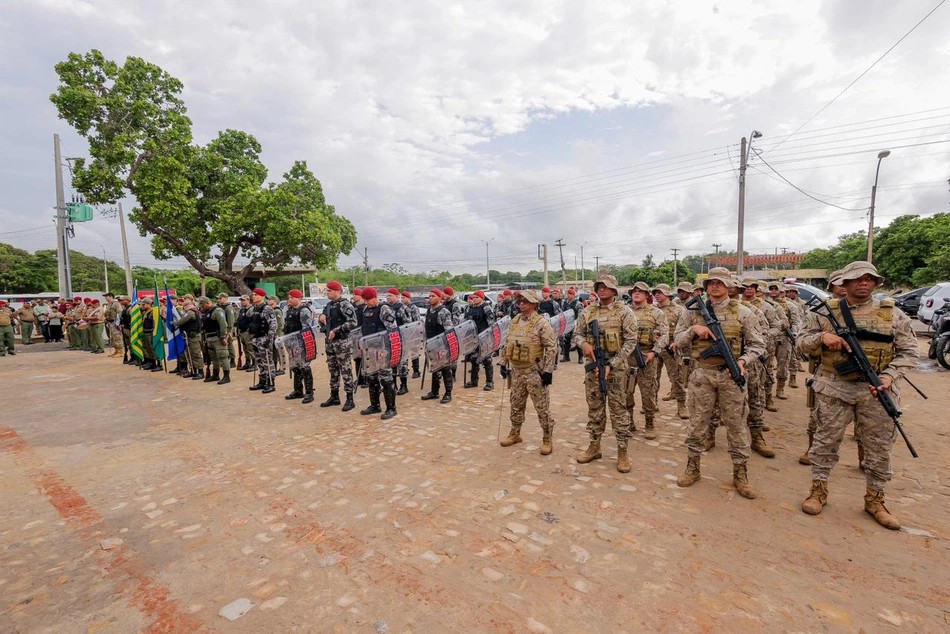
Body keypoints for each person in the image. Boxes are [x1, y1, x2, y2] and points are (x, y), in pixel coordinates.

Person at [797, 261, 917, 530]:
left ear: (875, 283)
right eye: (857, 279)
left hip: (876, 390)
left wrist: (888, 376)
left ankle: (875, 499)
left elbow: (909, 353)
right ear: (846, 283)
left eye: (869, 279)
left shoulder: (894, 315)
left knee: (878, 446)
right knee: (825, 441)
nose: (864, 282)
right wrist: (822, 338)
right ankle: (818, 490)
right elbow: (801, 342)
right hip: (834, 387)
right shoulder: (824, 313)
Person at [673, 267, 765, 499]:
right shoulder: (691, 312)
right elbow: (677, 341)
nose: (714, 286)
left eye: (720, 282)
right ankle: (692, 467)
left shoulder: (744, 312)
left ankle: (740, 473)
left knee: (736, 425)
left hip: (730, 376)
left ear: (729, 286)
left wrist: (744, 360)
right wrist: (694, 330)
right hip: (702, 375)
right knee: (697, 423)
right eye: (711, 282)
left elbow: (758, 345)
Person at [571, 273, 639, 473]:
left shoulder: (625, 312)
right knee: (595, 409)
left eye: (606, 286)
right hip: (593, 369)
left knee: (619, 411)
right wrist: (583, 343)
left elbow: (630, 341)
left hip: (616, 371)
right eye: (599, 285)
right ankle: (594, 446)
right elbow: (576, 333)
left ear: (614, 290)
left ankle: (622, 451)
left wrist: (613, 363)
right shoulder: (587, 311)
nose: (602, 289)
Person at [498, 289, 557, 454]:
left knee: (542, 407)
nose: (521, 304)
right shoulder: (515, 320)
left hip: (534, 372)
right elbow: (507, 342)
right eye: (519, 301)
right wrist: (503, 362)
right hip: (517, 371)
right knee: (516, 404)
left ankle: (547, 437)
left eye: (525, 301)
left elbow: (551, 348)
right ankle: (515, 433)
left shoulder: (541, 323)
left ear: (534, 304)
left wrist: (548, 371)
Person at [625, 282, 669, 439]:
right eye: (634, 291)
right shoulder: (624, 311)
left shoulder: (655, 312)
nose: (636, 294)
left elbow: (665, 334)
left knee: (648, 393)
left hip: (647, 357)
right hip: (627, 357)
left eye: (640, 291)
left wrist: (654, 352)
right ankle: (629, 422)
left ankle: (649, 423)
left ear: (647, 295)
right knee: (626, 392)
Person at [357, 287, 399, 419]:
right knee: (371, 378)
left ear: (375, 297)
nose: (366, 302)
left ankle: (391, 408)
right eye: (365, 300)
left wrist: (389, 349)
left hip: (382, 351)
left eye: (368, 299)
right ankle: (375, 405)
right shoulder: (365, 309)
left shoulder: (384, 309)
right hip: (369, 350)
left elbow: (392, 330)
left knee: (386, 379)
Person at [319, 281, 358, 411]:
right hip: (330, 342)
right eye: (327, 290)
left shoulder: (345, 304)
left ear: (337, 291)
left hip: (342, 342)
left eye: (329, 291)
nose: (327, 293)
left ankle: (349, 398)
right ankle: (334, 396)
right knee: (333, 370)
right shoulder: (329, 305)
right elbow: (325, 316)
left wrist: (336, 330)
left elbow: (353, 322)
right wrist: (322, 316)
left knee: (346, 370)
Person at [653, 284, 688, 420]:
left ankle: (681, 405)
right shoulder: (653, 310)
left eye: (660, 292)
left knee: (676, 378)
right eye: (655, 292)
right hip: (655, 349)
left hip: (671, 348)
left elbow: (684, 329)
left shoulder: (679, 310)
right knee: (652, 378)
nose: (657, 295)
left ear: (667, 294)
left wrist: (678, 343)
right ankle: (653, 402)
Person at [421, 288, 456, 404]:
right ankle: (434, 392)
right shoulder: (428, 311)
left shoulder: (444, 311)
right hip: (431, 344)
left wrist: (447, 346)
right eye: (429, 296)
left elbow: (448, 330)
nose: (430, 298)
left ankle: (448, 393)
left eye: (433, 296)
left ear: (439, 298)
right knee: (435, 368)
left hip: (442, 345)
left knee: (446, 369)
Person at [768, 281, 801, 400]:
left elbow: (797, 322)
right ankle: (768, 394)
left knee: (783, 365)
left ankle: (780, 388)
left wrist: (794, 335)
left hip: (784, 338)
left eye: (775, 289)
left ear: (782, 291)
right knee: (768, 366)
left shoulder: (790, 306)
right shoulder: (765, 304)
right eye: (771, 288)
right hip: (769, 338)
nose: (773, 291)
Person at [283, 289, 317, 404]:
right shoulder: (290, 310)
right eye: (289, 297)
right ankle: (298, 390)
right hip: (290, 342)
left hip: (300, 343)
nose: (289, 299)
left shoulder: (304, 311)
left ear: (298, 298)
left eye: (292, 297)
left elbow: (305, 329)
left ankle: (309, 393)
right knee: (295, 367)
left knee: (304, 367)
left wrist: (302, 345)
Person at [463, 290, 496, 391]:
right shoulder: (469, 308)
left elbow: (491, 323)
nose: (474, 299)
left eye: (476, 297)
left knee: (487, 359)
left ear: (482, 298)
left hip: (484, 337)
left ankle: (490, 382)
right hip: (473, 338)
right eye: (473, 297)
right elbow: (465, 322)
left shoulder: (486, 308)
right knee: (473, 359)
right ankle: (474, 381)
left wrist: (489, 337)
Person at [247, 288, 277, 393]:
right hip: (256, 338)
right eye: (253, 294)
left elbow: (273, 325)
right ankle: (262, 381)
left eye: (255, 294)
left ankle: (270, 383)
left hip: (264, 338)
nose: (253, 296)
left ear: (261, 296)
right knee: (259, 361)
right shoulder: (254, 308)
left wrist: (269, 339)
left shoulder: (267, 308)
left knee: (267, 361)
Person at [199, 296, 231, 384]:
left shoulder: (217, 311)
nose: (201, 307)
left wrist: (223, 337)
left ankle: (226, 376)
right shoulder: (206, 311)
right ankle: (215, 374)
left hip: (217, 338)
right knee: (214, 357)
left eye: (202, 305)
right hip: (209, 337)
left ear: (207, 303)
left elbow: (223, 324)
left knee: (223, 356)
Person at [171, 299, 204, 380]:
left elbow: (181, 322)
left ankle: (200, 372)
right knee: (190, 354)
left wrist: (173, 323)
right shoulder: (195, 312)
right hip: (191, 336)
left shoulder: (190, 313)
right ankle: (193, 370)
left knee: (195, 354)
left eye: (184, 307)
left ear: (186, 306)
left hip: (194, 336)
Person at [401, 291, 422, 379]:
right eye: (401, 298)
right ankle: (404, 369)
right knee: (404, 353)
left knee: (414, 352)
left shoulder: (413, 307)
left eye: (404, 298)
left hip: (413, 333)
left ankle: (416, 370)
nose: (402, 299)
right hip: (404, 333)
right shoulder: (401, 307)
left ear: (408, 298)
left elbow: (417, 321)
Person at [563, 287, 584, 363]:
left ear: (574, 295)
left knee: (577, 340)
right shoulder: (565, 302)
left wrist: (577, 323)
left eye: (570, 294)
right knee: (566, 341)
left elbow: (581, 315)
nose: (568, 295)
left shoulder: (578, 303)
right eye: (568, 293)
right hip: (567, 324)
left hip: (575, 324)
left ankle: (580, 357)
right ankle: (566, 357)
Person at [236, 296, 256, 371]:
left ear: (248, 300)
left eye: (244, 300)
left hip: (248, 332)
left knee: (250, 348)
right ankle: (248, 363)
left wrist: (251, 332)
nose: (242, 302)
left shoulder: (251, 309)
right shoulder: (242, 310)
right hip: (242, 331)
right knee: (245, 349)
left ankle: (254, 364)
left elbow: (253, 322)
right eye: (241, 300)